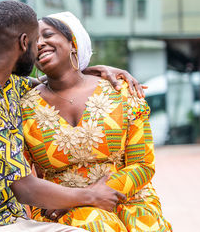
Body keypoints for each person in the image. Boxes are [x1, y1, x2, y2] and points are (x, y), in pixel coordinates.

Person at [0, 1, 144, 232]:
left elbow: (54, 81)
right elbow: (26, 189)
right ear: (24, 42)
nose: (38, 51)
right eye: (36, 42)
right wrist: (90, 196)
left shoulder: (5, 86)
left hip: (7, 220)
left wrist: (90, 69)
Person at [19, 12, 173, 231]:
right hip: (61, 211)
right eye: (34, 41)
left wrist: (91, 195)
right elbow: (24, 178)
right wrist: (75, 199)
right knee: (94, 222)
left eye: (47, 34)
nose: (40, 43)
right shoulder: (23, 107)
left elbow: (143, 165)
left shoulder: (120, 91)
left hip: (127, 202)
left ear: (73, 42)